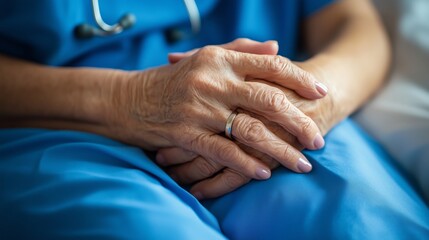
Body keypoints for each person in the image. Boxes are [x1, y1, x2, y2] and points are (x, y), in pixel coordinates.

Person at [0, 0, 427, 239]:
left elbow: (354, 22)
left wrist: (318, 94)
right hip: (60, 124)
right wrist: (131, 100)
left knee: (363, 225)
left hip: (278, 113)